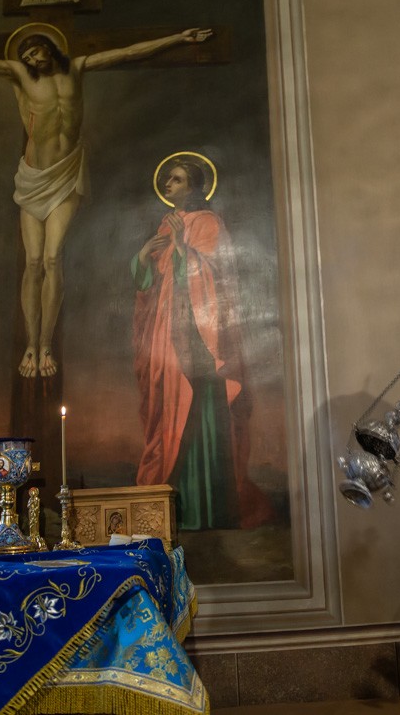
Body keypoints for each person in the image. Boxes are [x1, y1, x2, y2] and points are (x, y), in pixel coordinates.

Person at [0, 24, 212, 378]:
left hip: (66, 174)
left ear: (48, 47)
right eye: (26, 56)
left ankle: (45, 344)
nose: (31, 59)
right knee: (33, 260)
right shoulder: (21, 75)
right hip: (34, 178)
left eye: (34, 52)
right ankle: (30, 344)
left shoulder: (77, 67)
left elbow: (128, 52)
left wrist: (178, 38)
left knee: (53, 258)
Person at [131, 158, 274, 531]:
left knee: (198, 419)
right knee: (167, 417)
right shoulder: (166, 225)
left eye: (176, 179)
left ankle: (206, 512)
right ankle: (172, 510)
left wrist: (182, 249)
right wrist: (143, 257)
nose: (168, 183)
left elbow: (214, 279)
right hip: (167, 335)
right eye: (166, 178)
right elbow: (150, 285)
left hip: (199, 344)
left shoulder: (209, 223)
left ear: (193, 187)